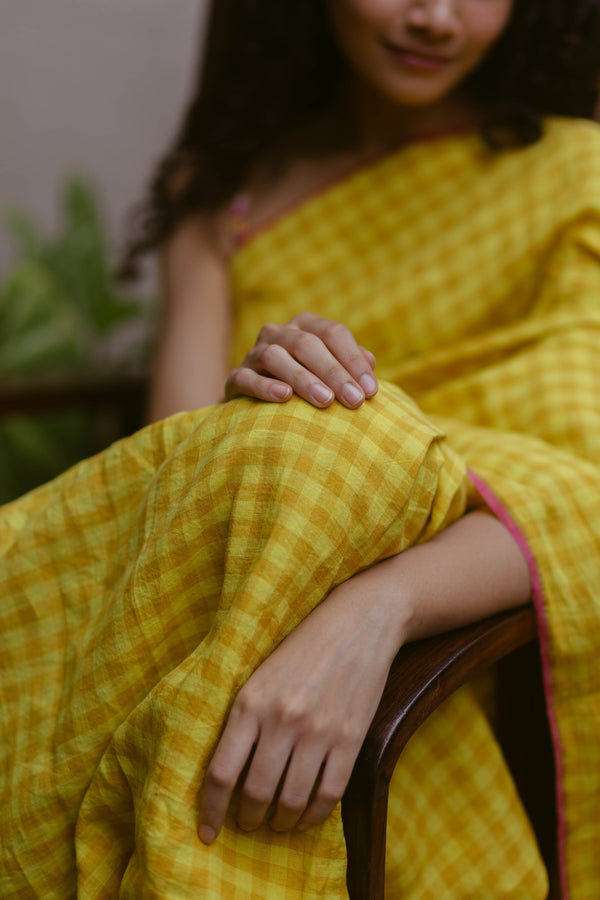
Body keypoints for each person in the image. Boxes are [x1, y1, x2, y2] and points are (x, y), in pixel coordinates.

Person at [1, 1, 600, 897]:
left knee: (331, 445)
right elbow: (183, 470)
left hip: (458, 633)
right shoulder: (225, 196)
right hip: (237, 575)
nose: (435, 16)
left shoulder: (576, 175)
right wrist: (261, 400)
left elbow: (583, 480)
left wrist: (375, 611)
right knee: (298, 440)